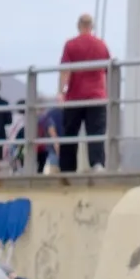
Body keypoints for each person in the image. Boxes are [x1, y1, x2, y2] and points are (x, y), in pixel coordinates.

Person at [58, 13, 111, 173]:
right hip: (97, 96)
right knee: (96, 132)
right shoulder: (101, 45)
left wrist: (61, 92)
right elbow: (108, 69)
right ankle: (97, 164)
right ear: (92, 26)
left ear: (78, 25)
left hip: (75, 96)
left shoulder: (71, 45)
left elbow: (65, 70)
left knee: (70, 134)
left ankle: (67, 168)